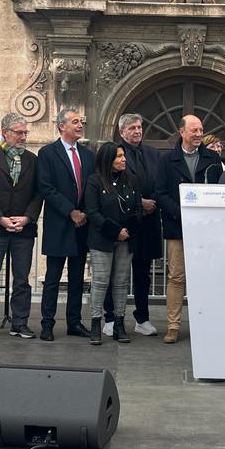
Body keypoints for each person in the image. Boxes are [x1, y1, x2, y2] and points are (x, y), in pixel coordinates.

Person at [0, 112, 42, 340]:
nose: (23, 137)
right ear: (5, 133)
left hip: (23, 229)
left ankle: (20, 322)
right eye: (19, 132)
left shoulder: (33, 159)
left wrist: (28, 217)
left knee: (22, 279)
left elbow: (38, 193)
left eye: (25, 132)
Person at [156, 115, 223, 344]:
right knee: (176, 277)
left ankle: (203, 322)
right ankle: (173, 326)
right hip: (178, 228)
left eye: (201, 130)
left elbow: (219, 192)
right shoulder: (166, 160)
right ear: (182, 132)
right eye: (194, 130)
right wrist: (181, 213)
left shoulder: (213, 158)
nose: (198, 135)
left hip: (207, 230)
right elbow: (160, 193)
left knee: (206, 277)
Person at [36, 108, 95, 341]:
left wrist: (84, 213)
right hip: (60, 223)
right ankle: (47, 324)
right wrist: (70, 211)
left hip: (82, 224)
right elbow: (46, 187)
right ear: (62, 126)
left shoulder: (89, 155)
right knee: (53, 277)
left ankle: (74, 322)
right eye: (75, 122)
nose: (80, 125)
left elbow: (92, 187)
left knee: (78, 278)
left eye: (81, 121)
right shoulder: (48, 153)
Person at [103, 113, 164, 337]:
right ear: (122, 132)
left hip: (148, 221)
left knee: (142, 272)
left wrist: (152, 202)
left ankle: (142, 318)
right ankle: (110, 317)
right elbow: (111, 185)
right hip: (124, 221)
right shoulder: (115, 153)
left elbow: (160, 182)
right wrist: (139, 202)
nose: (137, 131)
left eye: (139, 127)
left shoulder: (153, 153)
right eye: (132, 128)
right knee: (115, 272)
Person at [86, 142, 143, 344]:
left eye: (123, 156)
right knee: (100, 282)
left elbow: (137, 209)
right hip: (102, 240)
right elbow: (93, 212)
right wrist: (114, 231)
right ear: (107, 159)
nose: (123, 159)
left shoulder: (133, 181)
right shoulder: (95, 181)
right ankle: (95, 323)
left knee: (121, 283)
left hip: (126, 240)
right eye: (119, 156)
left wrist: (126, 231)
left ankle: (119, 323)